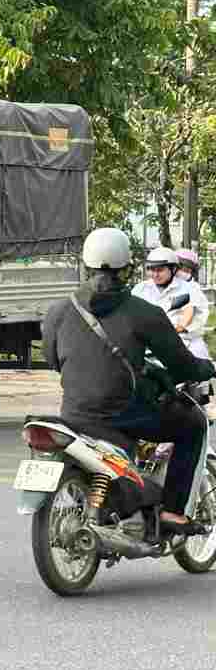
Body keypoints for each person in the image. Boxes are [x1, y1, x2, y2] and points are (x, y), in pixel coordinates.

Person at [42, 227, 215, 533]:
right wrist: (207, 368)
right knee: (193, 425)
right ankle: (173, 512)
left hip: (74, 413)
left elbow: (54, 360)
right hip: (121, 414)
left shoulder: (57, 310)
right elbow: (182, 366)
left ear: (85, 263)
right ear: (129, 266)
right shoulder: (142, 311)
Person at [172, 248, 212, 362]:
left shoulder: (193, 289)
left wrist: (179, 329)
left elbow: (191, 314)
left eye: (187, 269)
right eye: (180, 268)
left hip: (189, 341)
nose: (182, 272)